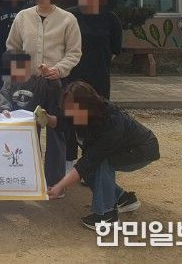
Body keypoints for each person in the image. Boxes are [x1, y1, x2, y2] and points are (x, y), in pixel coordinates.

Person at [47, 81, 160, 230]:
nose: (69, 114)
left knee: (100, 163)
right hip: (122, 148)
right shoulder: (78, 112)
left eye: (72, 110)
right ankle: (123, 199)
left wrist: (59, 186)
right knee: (89, 170)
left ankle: (107, 215)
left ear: (86, 106)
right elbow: (63, 122)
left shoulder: (110, 122)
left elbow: (90, 160)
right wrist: (46, 119)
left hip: (142, 149)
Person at [65, 0, 123, 171]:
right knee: (70, 119)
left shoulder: (111, 19)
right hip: (72, 78)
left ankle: (91, 165)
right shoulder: (69, 16)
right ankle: (68, 163)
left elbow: (115, 49)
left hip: (99, 79)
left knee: (97, 120)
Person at [0, 50, 65, 189]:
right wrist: (5, 108)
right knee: (12, 153)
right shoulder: (9, 82)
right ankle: (14, 179)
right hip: (14, 126)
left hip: (33, 126)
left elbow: (54, 89)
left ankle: (32, 179)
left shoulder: (38, 82)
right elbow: (4, 95)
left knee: (33, 153)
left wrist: (50, 76)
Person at [6, 0, 82, 82]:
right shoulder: (22, 16)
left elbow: (74, 52)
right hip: (27, 81)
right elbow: (13, 46)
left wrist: (59, 69)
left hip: (56, 81)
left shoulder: (68, 19)